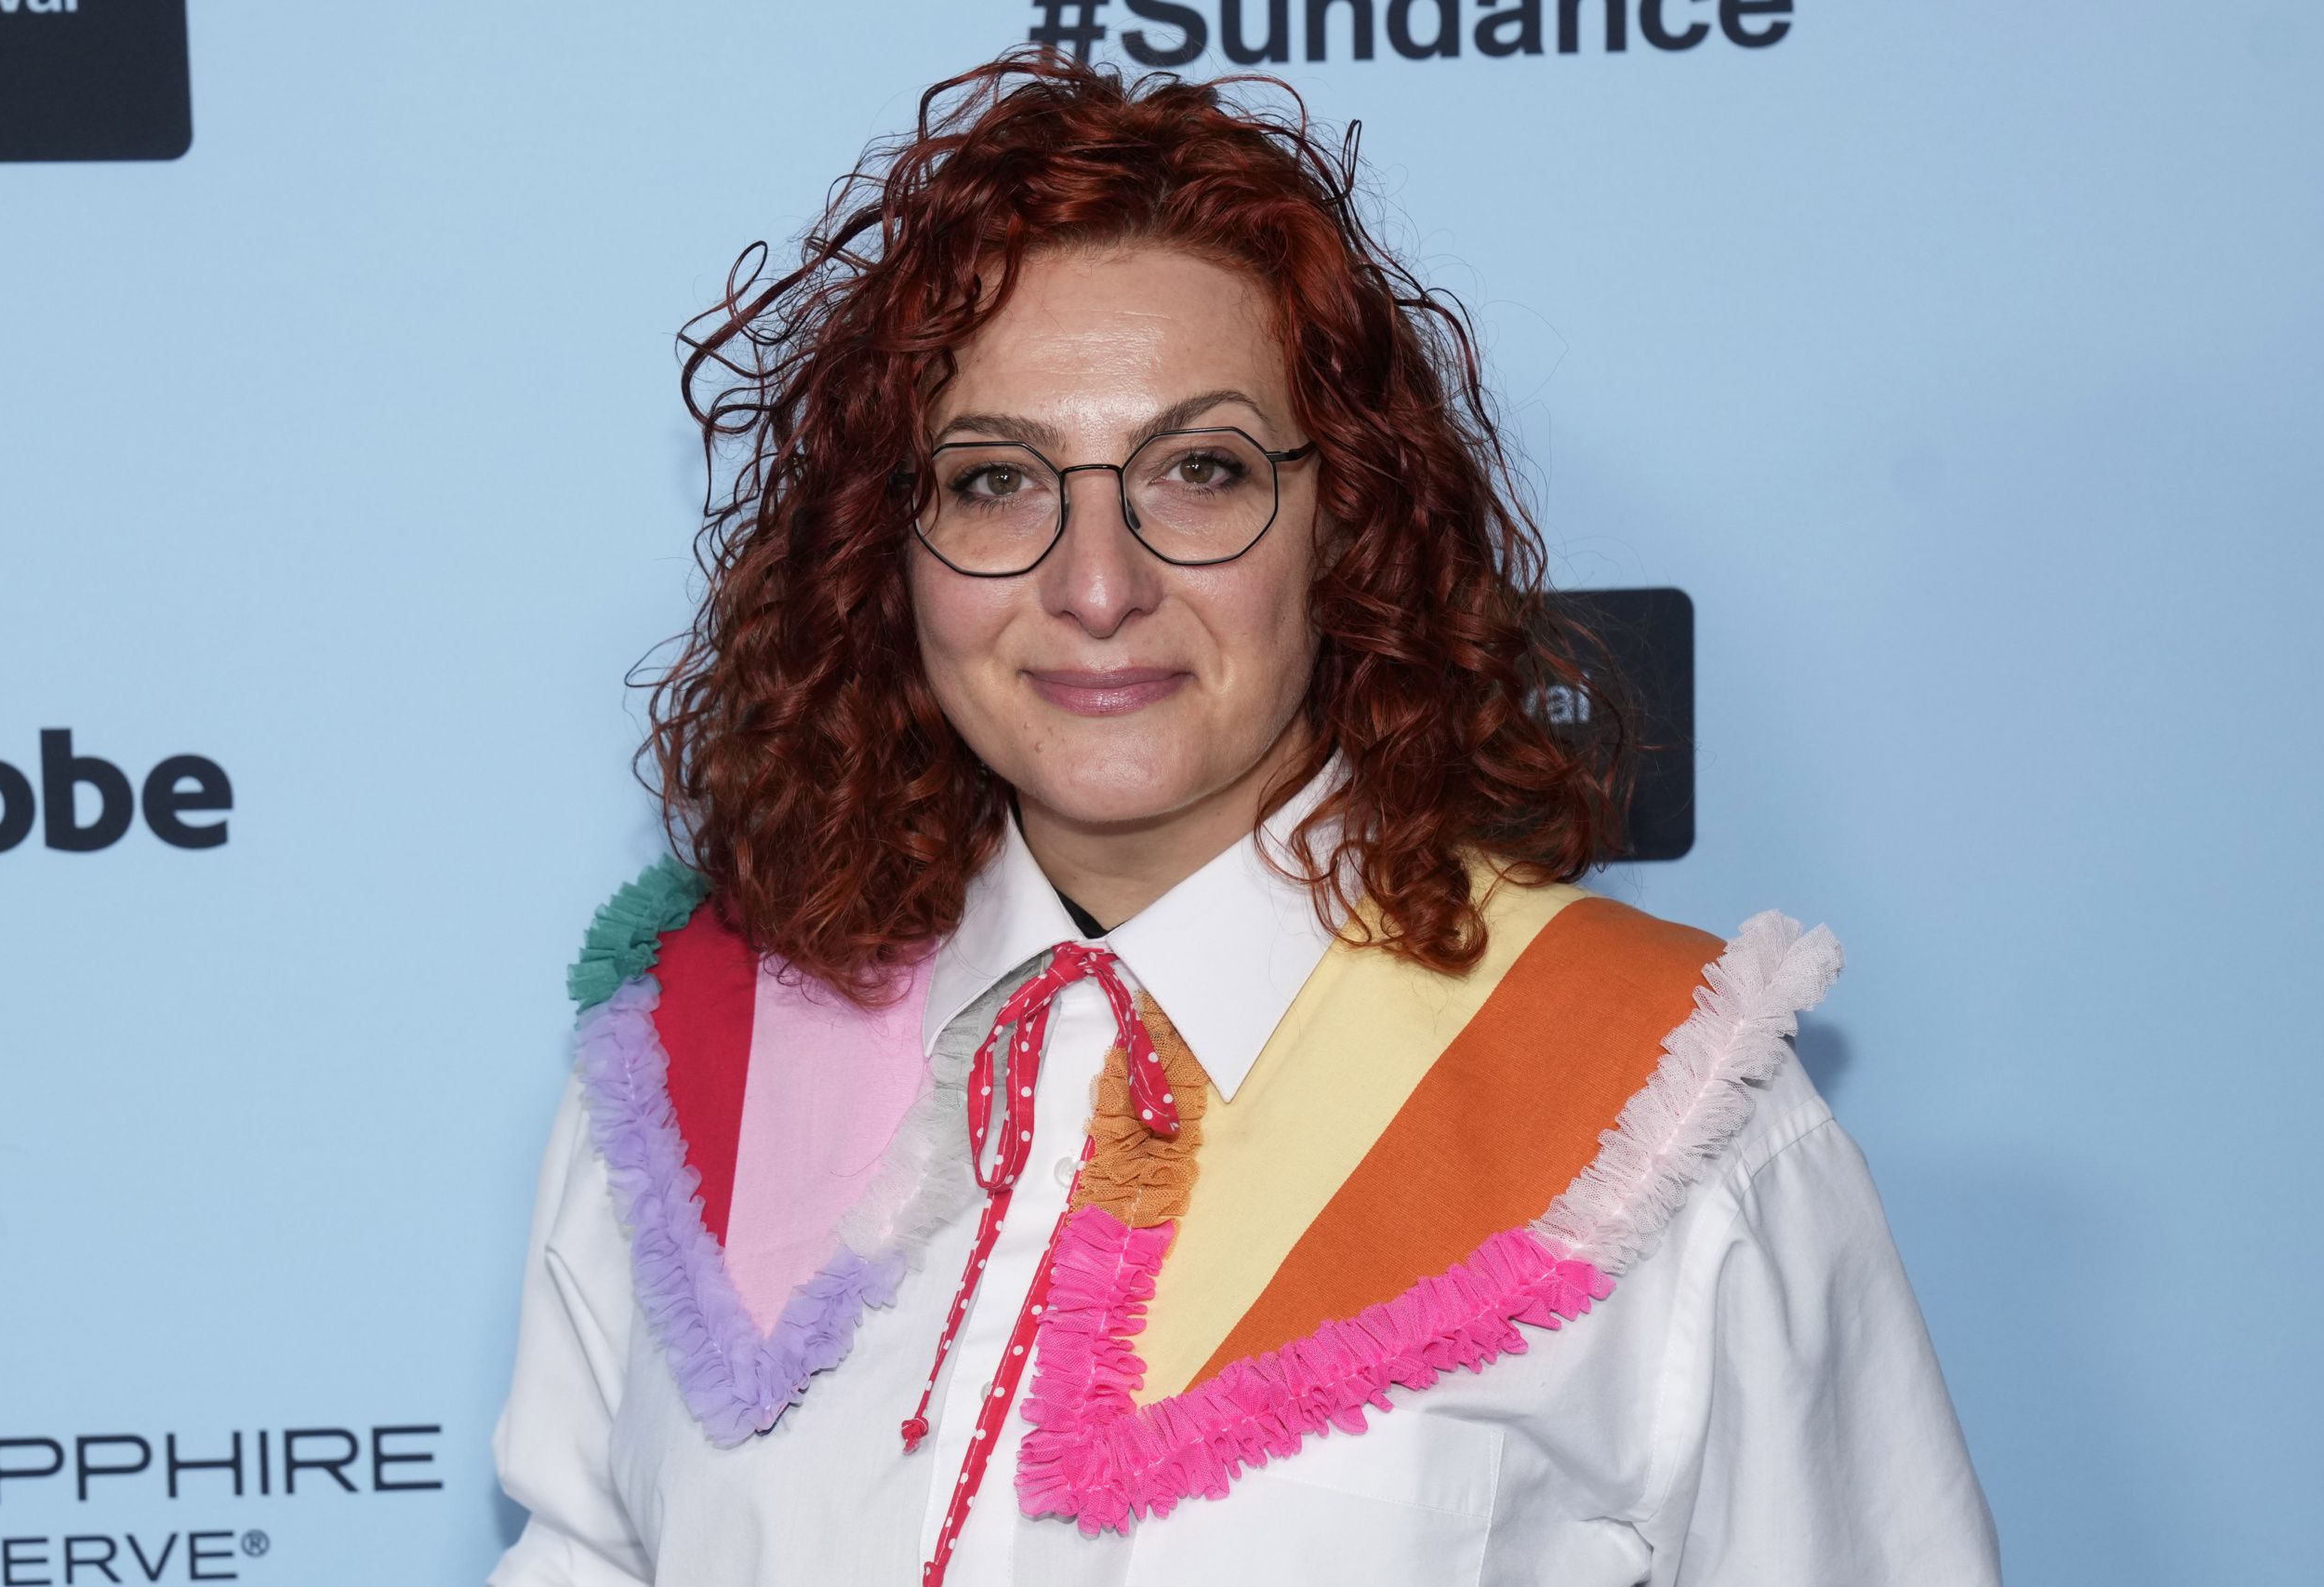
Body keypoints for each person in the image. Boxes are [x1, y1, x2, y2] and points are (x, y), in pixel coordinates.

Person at [486, 49, 2000, 1587]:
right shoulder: (692, 1065)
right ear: (893, 546)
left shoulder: (1661, 1098)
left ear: (1346, 520)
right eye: (997, 480)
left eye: (1200, 471)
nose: (1096, 585)